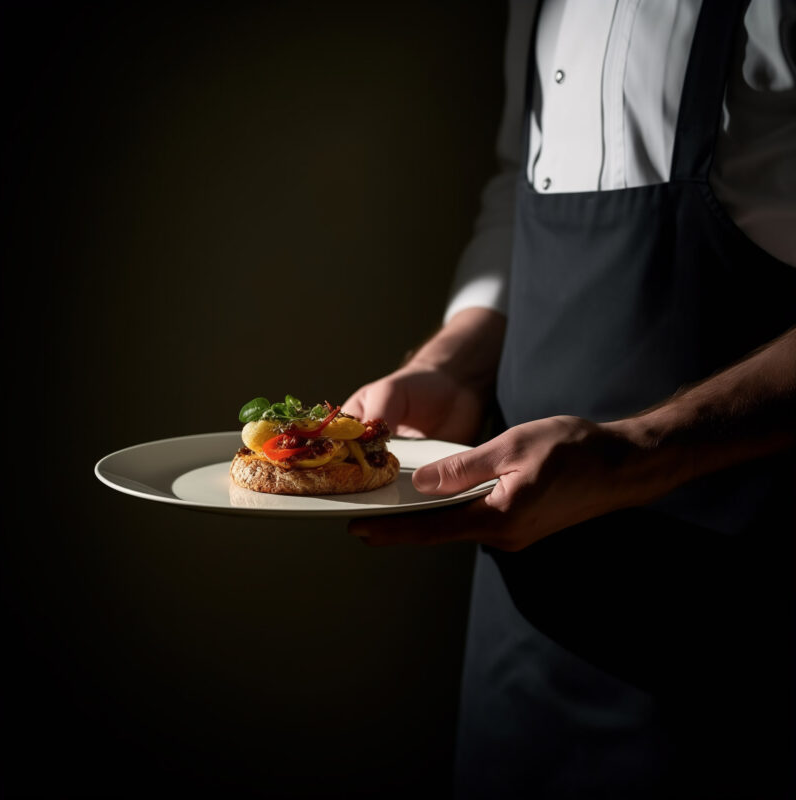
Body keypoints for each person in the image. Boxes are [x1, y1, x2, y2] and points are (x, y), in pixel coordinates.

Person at [344, 0, 796, 798]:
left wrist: (642, 451)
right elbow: (514, 196)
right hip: (527, 634)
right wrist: (455, 364)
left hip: (745, 628)